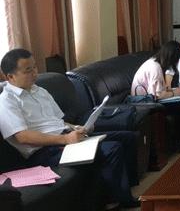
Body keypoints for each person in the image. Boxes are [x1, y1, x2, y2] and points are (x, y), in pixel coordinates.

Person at [0, 49, 139, 209]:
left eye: (35, 67)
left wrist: (77, 128)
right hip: (45, 152)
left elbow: (58, 122)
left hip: (65, 139)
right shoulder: (6, 101)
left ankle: (122, 190)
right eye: (27, 70)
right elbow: (22, 137)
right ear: (10, 76)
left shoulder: (39, 91)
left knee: (128, 138)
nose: (34, 73)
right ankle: (121, 200)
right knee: (112, 148)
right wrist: (66, 139)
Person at [131, 41, 180, 149]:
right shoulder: (154, 67)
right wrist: (174, 93)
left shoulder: (154, 62)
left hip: (150, 99)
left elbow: (158, 90)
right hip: (145, 103)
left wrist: (170, 91)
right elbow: (157, 95)